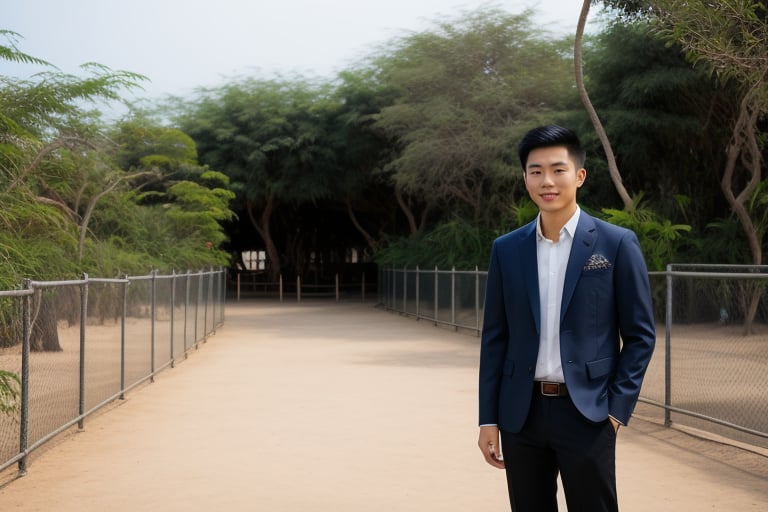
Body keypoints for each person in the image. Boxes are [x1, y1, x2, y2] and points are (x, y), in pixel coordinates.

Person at [477, 124, 656, 511]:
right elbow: (495, 338)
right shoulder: (506, 250)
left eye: (558, 170)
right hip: (520, 415)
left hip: (589, 413)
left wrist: (615, 411)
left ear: (579, 175)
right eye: (535, 170)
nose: (547, 181)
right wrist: (488, 418)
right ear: (525, 176)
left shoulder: (616, 244)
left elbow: (641, 335)